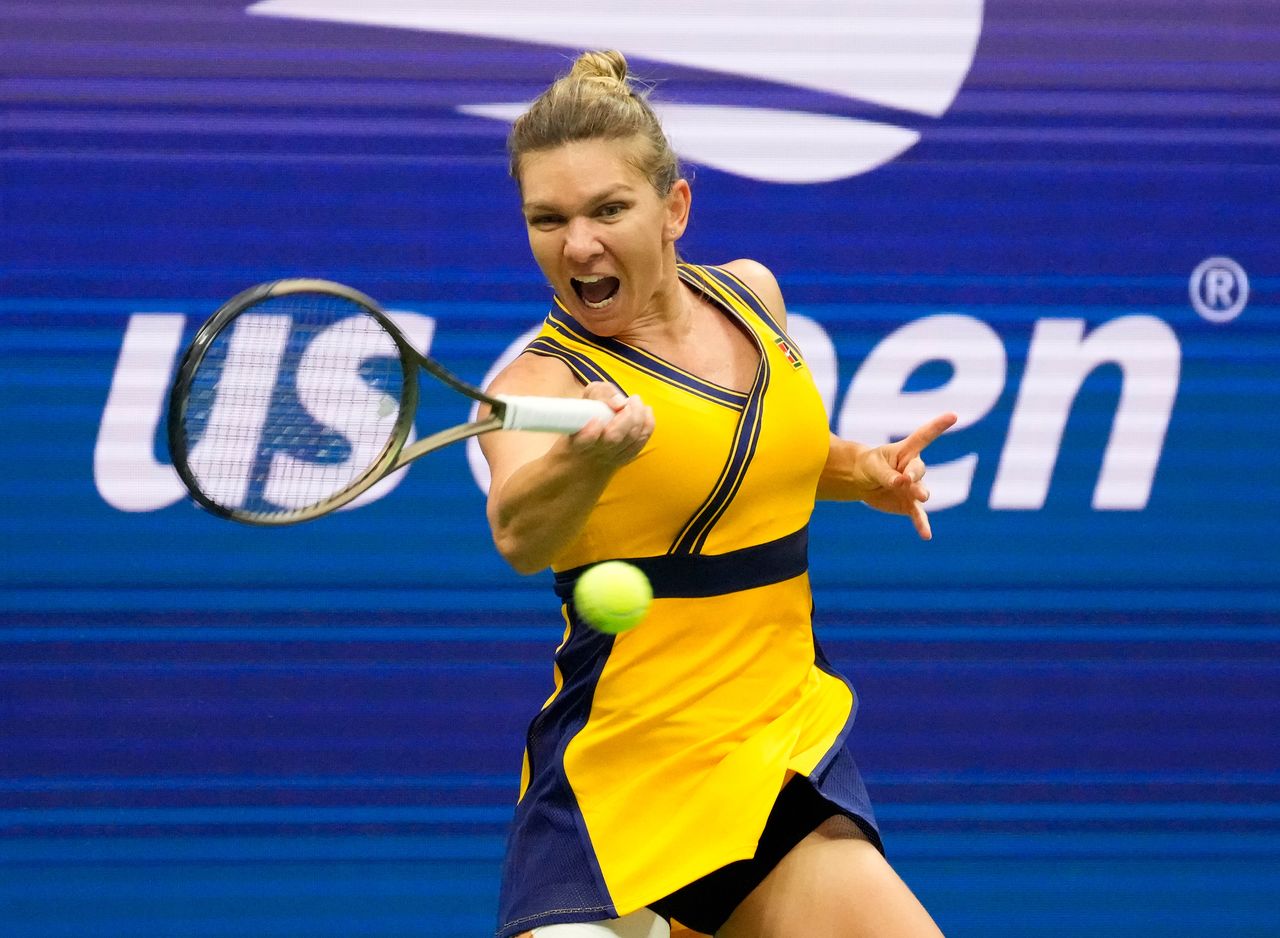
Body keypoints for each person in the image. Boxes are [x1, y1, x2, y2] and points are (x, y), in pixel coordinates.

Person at [478, 50, 957, 938]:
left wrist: (864, 471)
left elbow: (771, 454)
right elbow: (519, 533)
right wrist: (591, 460)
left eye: (607, 210)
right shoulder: (542, 386)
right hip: (621, 772)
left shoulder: (751, 295)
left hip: (773, 746)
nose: (577, 244)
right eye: (548, 220)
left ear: (675, 209)